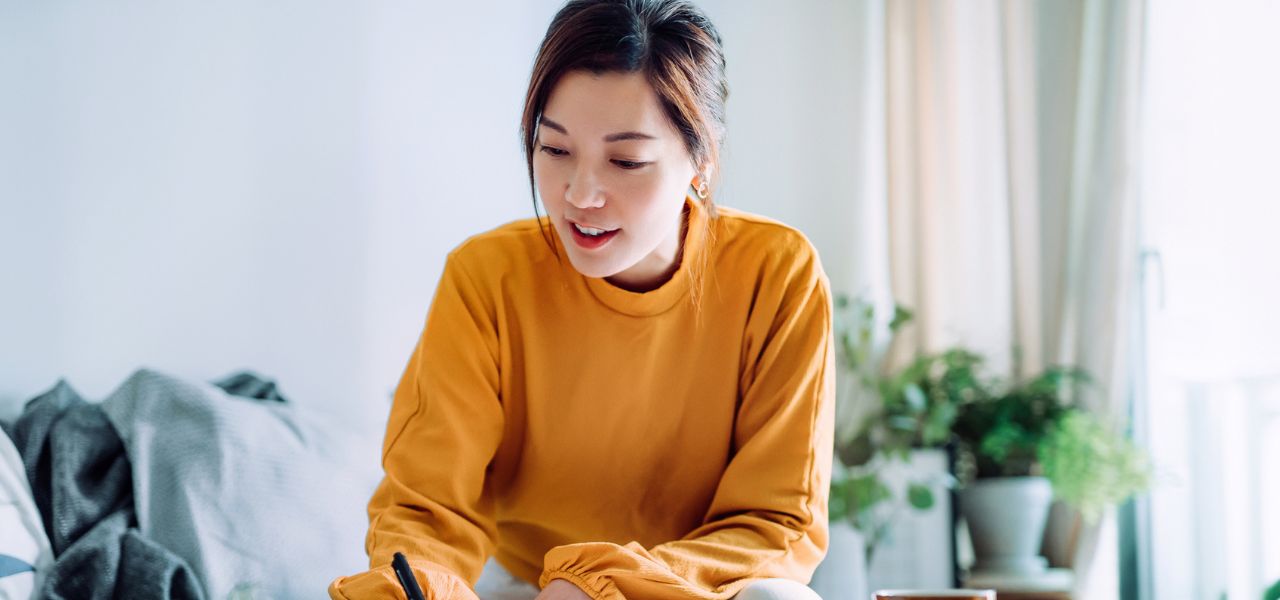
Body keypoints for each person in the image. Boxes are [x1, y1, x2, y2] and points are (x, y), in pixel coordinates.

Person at [328, 1, 834, 598]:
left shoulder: (777, 273)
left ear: (701, 161)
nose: (581, 194)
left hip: (695, 588)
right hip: (524, 585)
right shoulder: (486, 278)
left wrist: (598, 585)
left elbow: (777, 523)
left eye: (626, 160)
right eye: (555, 150)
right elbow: (426, 511)